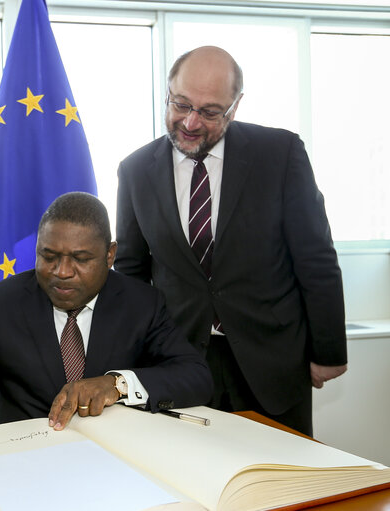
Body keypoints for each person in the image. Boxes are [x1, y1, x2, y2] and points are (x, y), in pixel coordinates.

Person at [115, 46, 346, 436]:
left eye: (208, 112)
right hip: (179, 362)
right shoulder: (136, 170)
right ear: (168, 92)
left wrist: (329, 351)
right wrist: (133, 359)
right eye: (181, 104)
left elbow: (316, 258)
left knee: (283, 486)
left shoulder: (280, 154)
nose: (189, 122)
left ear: (234, 108)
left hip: (271, 359)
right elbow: (132, 273)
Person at [0, 192, 212, 444]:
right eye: (49, 256)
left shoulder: (142, 302)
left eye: (81, 259)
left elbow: (195, 376)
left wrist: (117, 384)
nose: (62, 272)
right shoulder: (3, 302)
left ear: (110, 255)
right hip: (24, 458)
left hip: (115, 456)